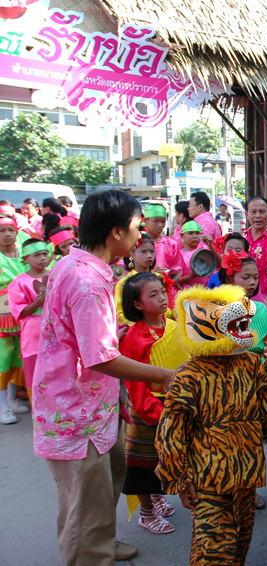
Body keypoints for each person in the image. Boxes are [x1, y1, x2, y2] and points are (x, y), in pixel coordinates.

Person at [32, 189, 173, 564]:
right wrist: (165, 374)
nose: (139, 234)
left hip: (93, 406)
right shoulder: (87, 281)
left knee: (106, 485)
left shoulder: (79, 266)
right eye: (134, 227)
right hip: (75, 412)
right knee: (84, 503)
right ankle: (90, 555)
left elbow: (83, 341)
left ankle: (102, 542)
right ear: (115, 232)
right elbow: (100, 359)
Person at [156, 284, 267, 565]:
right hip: (208, 478)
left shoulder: (249, 362)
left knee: (240, 541)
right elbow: (171, 432)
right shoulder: (189, 375)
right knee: (213, 550)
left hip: (246, 472)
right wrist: (179, 476)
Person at [119, 273, 176, 535]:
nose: (162, 298)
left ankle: (155, 498)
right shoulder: (134, 337)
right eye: (153, 295)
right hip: (147, 411)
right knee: (142, 465)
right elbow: (137, 388)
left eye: (162, 291)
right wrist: (159, 413)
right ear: (138, 304)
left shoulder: (172, 324)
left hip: (171, 405)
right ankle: (145, 512)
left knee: (161, 459)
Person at [217, 252, 267, 355]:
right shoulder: (217, 309)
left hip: (258, 366)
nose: (252, 282)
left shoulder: (260, 309)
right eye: (246, 278)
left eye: (255, 278)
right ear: (229, 279)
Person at [8, 238, 48, 393]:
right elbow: (20, 311)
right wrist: (38, 302)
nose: (42, 258)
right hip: (33, 334)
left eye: (45, 254)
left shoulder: (56, 275)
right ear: (25, 259)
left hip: (57, 331)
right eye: (37, 255)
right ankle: (38, 413)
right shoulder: (19, 282)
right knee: (35, 375)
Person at [0, 213, 27, 424]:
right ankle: (2, 407)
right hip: (2, 316)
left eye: (11, 230)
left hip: (23, 316)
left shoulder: (23, 255)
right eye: (1, 231)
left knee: (18, 358)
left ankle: (11, 400)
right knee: (2, 360)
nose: (7, 234)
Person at [144, 203, 183, 279]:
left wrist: (168, 274)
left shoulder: (171, 244)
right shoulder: (137, 243)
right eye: (155, 221)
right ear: (146, 221)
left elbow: (178, 269)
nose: (160, 225)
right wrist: (151, 273)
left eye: (163, 221)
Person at [177, 220, 210, 288]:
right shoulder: (178, 255)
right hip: (187, 293)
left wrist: (211, 245)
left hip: (206, 291)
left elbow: (218, 263)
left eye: (197, 233)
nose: (194, 236)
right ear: (182, 235)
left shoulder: (205, 249)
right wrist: (190, 277)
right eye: (190, 233)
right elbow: (175, 280)